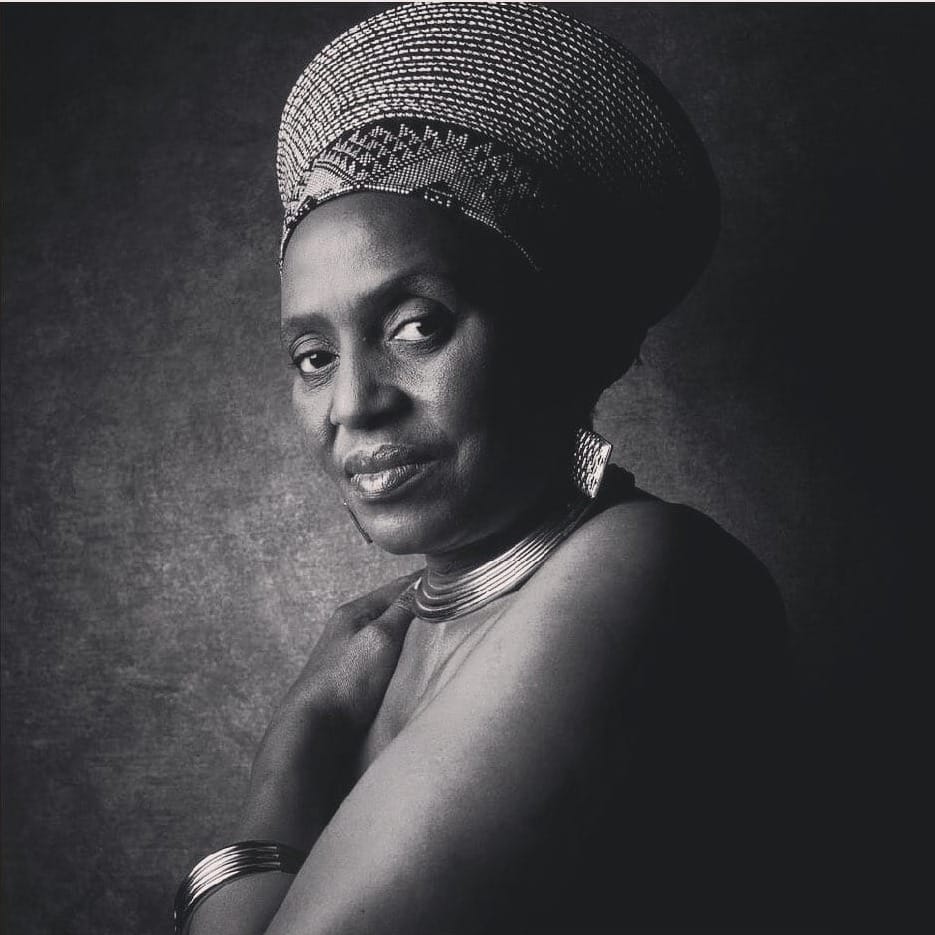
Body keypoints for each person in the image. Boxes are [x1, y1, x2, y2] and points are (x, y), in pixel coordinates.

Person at [174, 4, 797, 932]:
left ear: (574, 337)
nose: (352, 402)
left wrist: (295, 749)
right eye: (313, 355)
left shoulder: (650, 566)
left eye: (415, 326)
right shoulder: (394, 634)